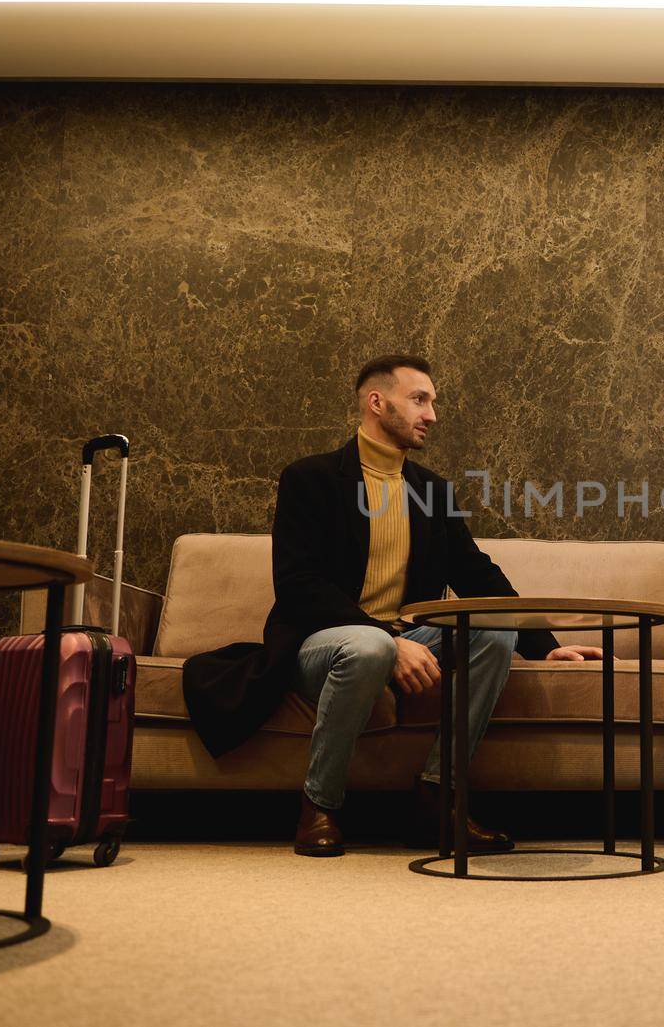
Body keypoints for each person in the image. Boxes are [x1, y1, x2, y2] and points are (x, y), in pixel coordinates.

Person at [183, 354, 600, 857]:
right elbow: (299, 585)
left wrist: (542, 646)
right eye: (419, 399)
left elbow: (478, 575)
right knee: (367, 648)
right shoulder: (310, 479)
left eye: (434, 402)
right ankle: (320, 804)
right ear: (377, 403)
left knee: (491, 630)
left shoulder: (430, 491)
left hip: (406, 638)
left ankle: (436, 797)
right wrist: (388, 640)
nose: (432, 414)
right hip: (325, 644)